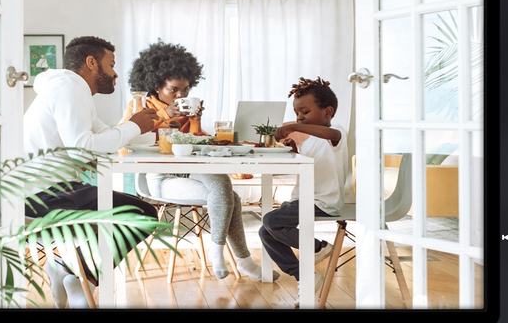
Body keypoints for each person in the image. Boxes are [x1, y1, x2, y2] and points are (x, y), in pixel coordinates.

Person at [24, 36, 160, 307]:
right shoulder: (69, 88)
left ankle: (66, 268)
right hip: (42, 195)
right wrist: (134, 125)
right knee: (142, 214)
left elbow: (104, 135)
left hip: (45, 189)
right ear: (91, 62)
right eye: (111, 64)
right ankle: (77, 273)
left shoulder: (69, 89)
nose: (115, 73)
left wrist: (146, 130)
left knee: (131, 211)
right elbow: (83, 148)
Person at [123, 40, 265, 281]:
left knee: (223, 186)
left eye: (186, 90)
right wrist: (163, 114)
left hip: (190, 169)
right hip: (159, 177)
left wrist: (196, 121)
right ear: (156, 85)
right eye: (174, 90)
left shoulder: (186, 109)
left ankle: (226, 255)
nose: (181, 95)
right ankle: (238, 259)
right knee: (229, 196)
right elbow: (125, 138)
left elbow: (193, 144)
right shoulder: (140, 106)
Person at [258, 76, 349, 291]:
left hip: (324, 202)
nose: (300, 117)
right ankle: (304, 276)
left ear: (328, 112)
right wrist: (293, 147)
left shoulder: (336, 133)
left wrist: (294, 127)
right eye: (297, 113)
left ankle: (319, 247)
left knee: (272, 221)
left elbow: (331, 134)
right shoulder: (310, 140)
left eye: (305, 112)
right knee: (265, 231)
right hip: (303, 199)